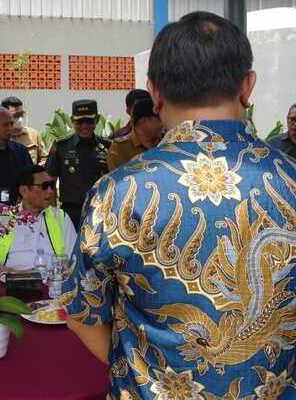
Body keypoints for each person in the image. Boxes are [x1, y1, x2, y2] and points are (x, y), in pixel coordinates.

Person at [61, 11, 296, 399]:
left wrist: (145, 377)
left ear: (154, 92)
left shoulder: (117, 192)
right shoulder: (288, 180)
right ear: (247, 85)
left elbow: (83, 316)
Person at [0, 165, 76, 270]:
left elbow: (74, 259)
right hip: (11, 282)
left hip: (52, 282)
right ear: (24, 191)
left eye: (52, 185)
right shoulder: (3, 218)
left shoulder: (61, 218)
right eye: (44, 186)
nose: (50, 191)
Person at [47, 99, 108, 228]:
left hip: (100, 211)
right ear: (72, 120)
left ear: (97, 120)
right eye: (80, 121)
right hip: (70, 213)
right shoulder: (60, 146)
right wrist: (54, 214)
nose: (84, 126)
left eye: (89, 121)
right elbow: (49, 183)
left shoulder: (108, 147)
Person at [107, 98, 163, 170]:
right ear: (144, 121)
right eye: (160, 119)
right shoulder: (119, 148)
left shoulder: (166, 143)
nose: (163, 123)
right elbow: (119, 178)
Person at [1, 96, 45, 164]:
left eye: (21, 114)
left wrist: (37, 170)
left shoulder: (33, 134)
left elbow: (44, 158)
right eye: (16, 116)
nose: (20, 119)